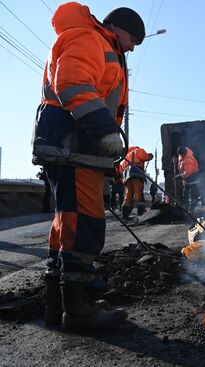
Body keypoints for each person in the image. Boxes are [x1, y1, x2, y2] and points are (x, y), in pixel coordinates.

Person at [31, 2, 145, 331]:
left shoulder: (96, 42)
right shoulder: (90, 39)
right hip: (74, 147)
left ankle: (59, 306)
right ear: (118, 29)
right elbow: (73, 84)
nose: (132, 47)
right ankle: (79, 311)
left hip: (74, 148)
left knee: (66, 224)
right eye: (132, 40)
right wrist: (105, 130)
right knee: (85, 224)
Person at [120, 146, 153, 219]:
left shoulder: (127, 156)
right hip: (136, 174)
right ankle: (141, 214)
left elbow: (122, 168)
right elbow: (145, 157)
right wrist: (150, 156)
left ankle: (125, 214)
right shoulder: (138, 150)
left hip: (127, 177)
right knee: (138, 194)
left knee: (128, 195)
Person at [177, 146, 201, 216]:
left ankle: (191, 213)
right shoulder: (182, 156)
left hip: (193, 181)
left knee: (193, 197)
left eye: (181, 154)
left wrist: (180, 176)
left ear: (184, 153)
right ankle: (187, 212)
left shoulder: (189, 160)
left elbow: (188, 173)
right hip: (188, 181)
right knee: (186, 197)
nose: (180, 156)